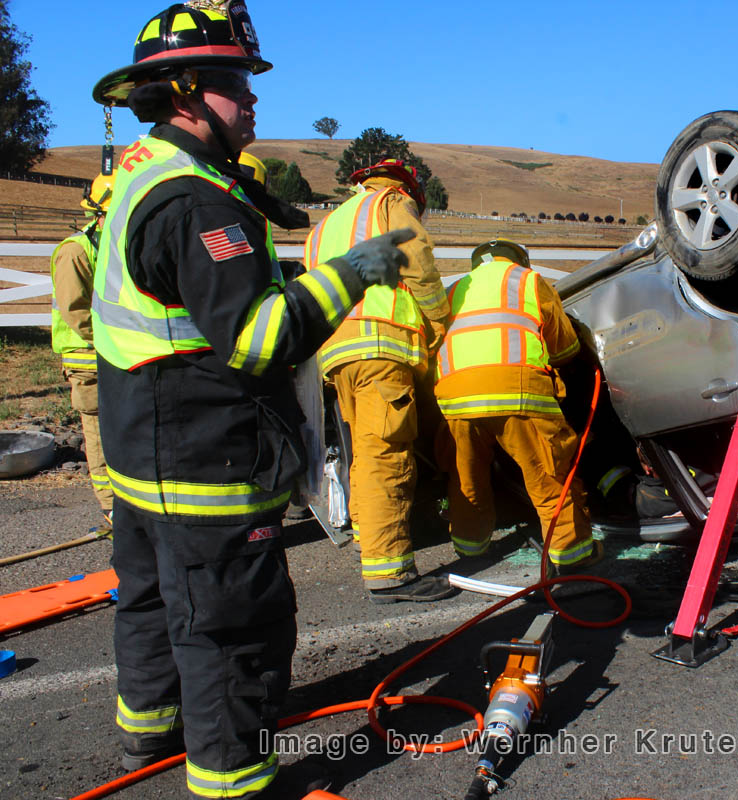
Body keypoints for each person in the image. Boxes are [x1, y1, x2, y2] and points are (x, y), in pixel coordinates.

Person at [91, 3, 413, 796]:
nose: (253, 100)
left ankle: (150, 738)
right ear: (188, 92)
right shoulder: (197, 203)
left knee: (153, 603)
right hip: (205, 455)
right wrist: (349, 278)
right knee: (235, 634)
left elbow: (195, 305)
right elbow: (262, 340)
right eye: (237, 82)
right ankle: (235, 782)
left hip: (144, 449)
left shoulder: (144, 174)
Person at [304, 157, 454, 603]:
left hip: (336, 351)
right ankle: (390, 572)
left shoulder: (325, 225)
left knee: (364, 452)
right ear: (409, 188)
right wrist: (439, 319)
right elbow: (417, 260)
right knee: (386, 454)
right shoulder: (391, 203)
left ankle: (372, 545)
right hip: (379, 345)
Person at [434, 238, 601, 575]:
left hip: (455, 398)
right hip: (517, 393)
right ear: (519, 260)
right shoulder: (527, 281)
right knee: (548, 474)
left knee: (466, 478)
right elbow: (565, 347)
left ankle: (470, 548)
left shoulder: (454, 291)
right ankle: (572, 555)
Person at [50, 174, 115, 525]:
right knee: (99, 436)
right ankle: (111, 508)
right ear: (100, 212)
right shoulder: (76, 250)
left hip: (119, 357)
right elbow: (75, 311)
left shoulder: (117, 244)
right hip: (88, 361)